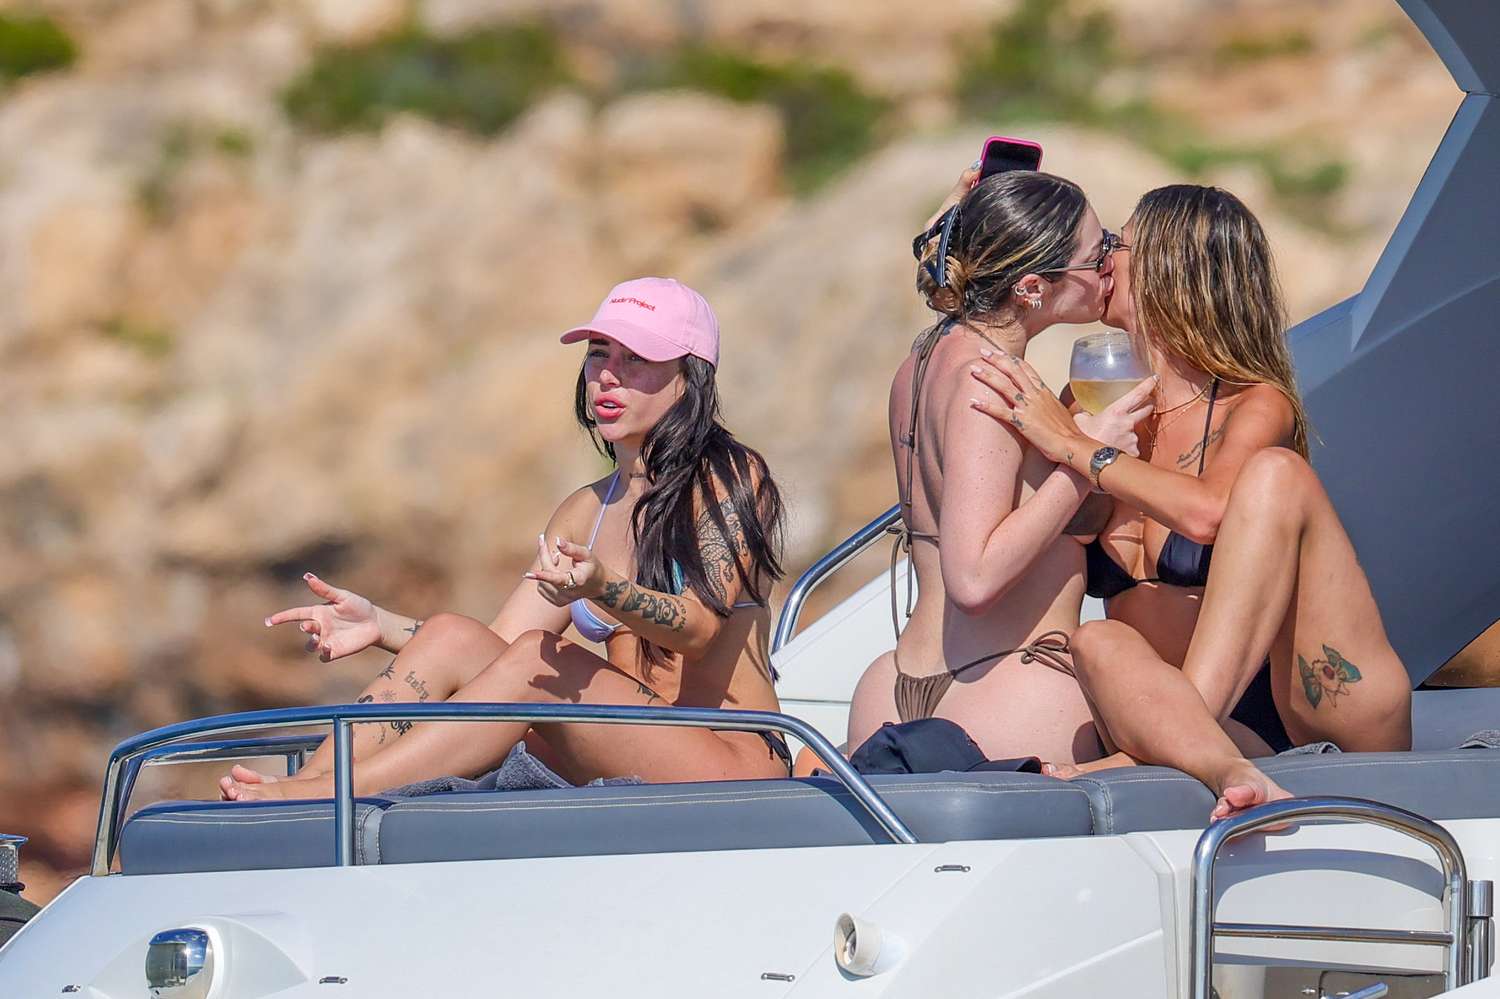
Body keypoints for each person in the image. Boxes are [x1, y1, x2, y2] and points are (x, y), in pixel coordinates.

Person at [220, 277, 791, 800]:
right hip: (628, 746)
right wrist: (381, 625)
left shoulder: (729, 478)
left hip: (728, 762)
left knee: (544, 657)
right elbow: (496, 651)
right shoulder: (584, 511)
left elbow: (698, 631)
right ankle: (307, 787)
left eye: (636, 358)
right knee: (451, 634)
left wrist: (603, 587)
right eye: (599, 354)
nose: (608, 376)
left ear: (690, 377)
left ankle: (327, 796)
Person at [968, 184, 1412, 819]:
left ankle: (1163, 751)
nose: (1102, 258)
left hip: (1312, 711)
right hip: (1202, 727)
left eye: (1119, 244)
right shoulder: (1089, 402)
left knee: (1276, 475)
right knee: (1097, 641)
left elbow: (1205, 514)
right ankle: (1186, 747)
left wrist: (1076, 448)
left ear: (1170, 267)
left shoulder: (1254, 404)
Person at [842, 166, 1153, 765]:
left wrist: (959, 223)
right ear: (1032, 287)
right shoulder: (989, 381)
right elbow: (974, 578)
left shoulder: (926, 358)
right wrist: (1089, 462)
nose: (1109, 265)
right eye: (1097, 254)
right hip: (1006, 685)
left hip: (899, 685)